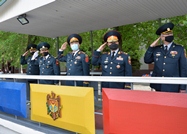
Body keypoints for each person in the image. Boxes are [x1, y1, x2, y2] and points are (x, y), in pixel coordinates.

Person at [144, 22, 186, 92]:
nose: (170, 35)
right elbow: (147, 60)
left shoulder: (179, 49)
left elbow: (183, 68)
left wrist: (183, 87)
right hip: (158, 85)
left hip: (173, 85)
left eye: (171, 34)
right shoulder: (157, 49)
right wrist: (151, 47)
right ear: (161, 37)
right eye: (167, 34)